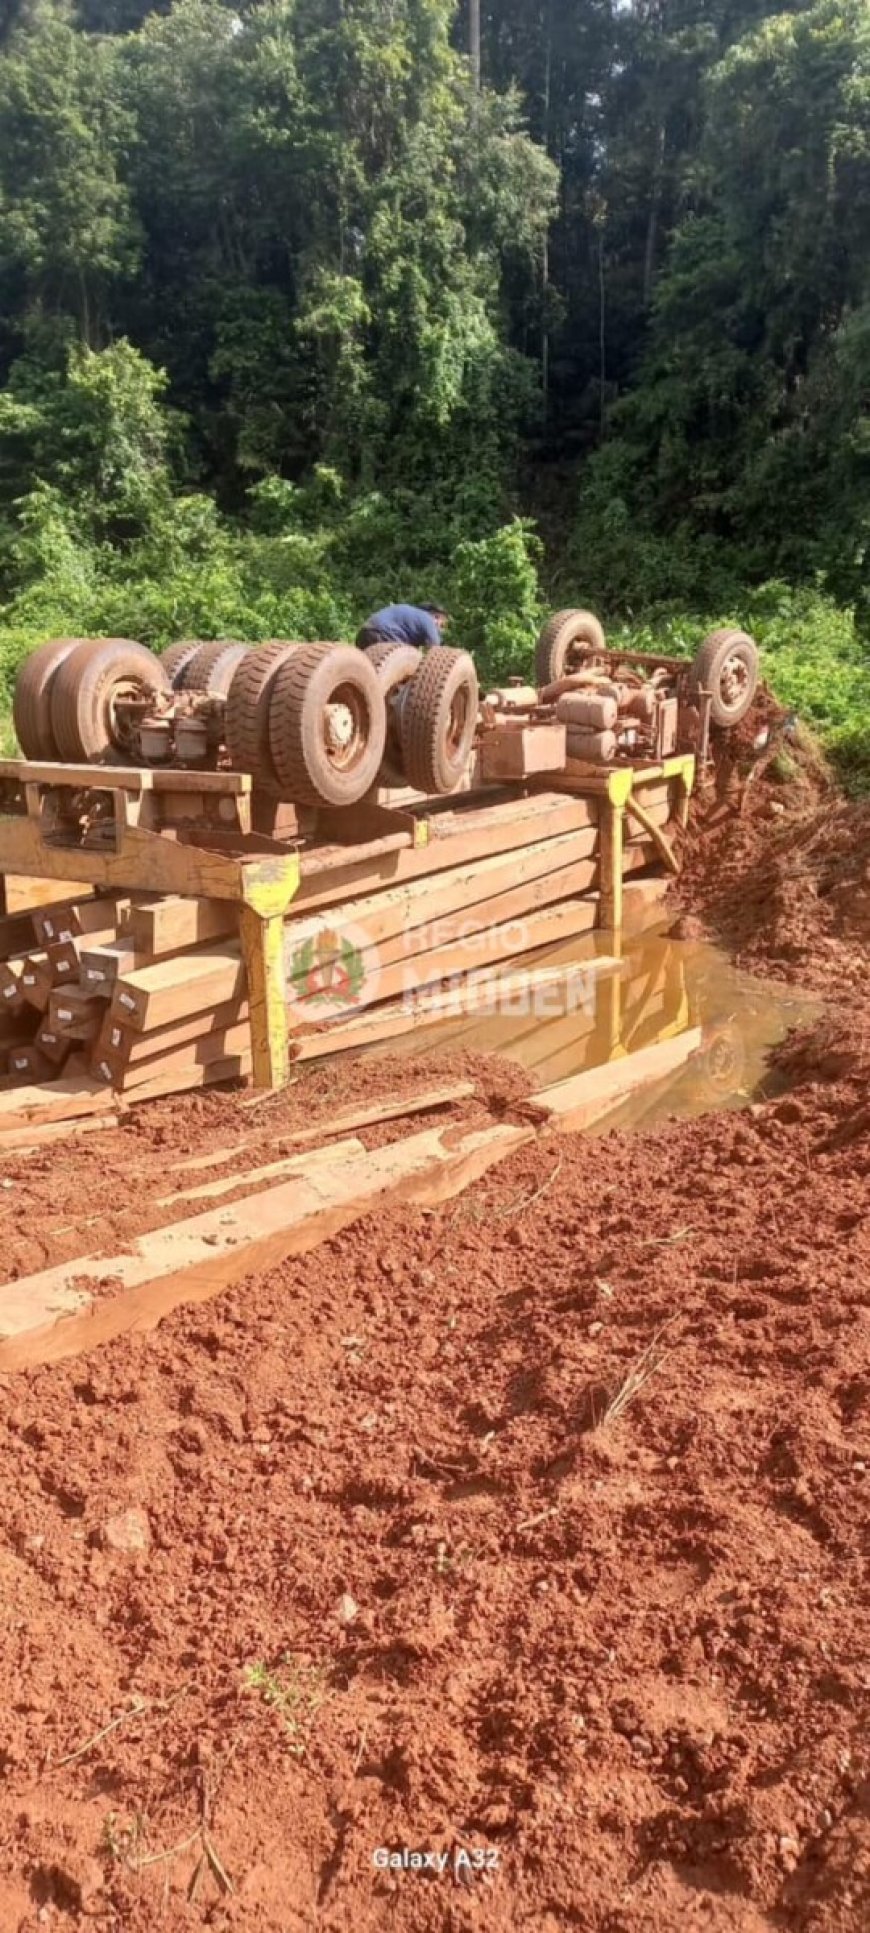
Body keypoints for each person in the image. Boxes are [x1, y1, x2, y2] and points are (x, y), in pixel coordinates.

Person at [356, 602, 448, 653]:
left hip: (364, 633)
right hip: (384, 637)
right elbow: (435, 652)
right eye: (442, 624)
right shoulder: (428, 619)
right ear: (436, 617)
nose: (440, 629)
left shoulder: (408, 611)